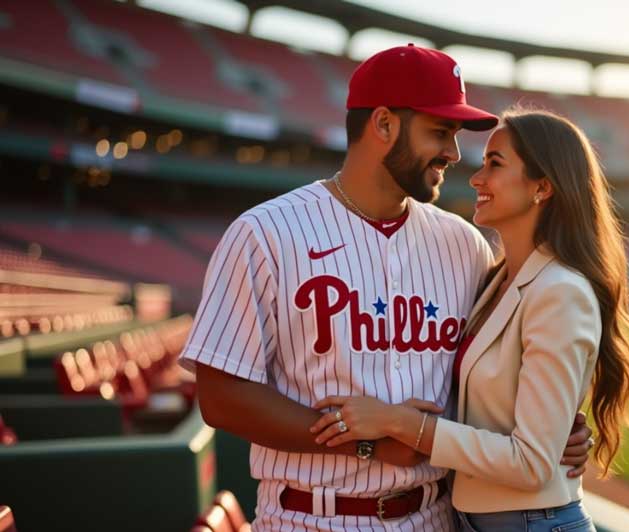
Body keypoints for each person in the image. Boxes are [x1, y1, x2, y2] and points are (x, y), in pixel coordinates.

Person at [179, 45, 593, 532]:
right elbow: (222, 396)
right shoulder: (266, 233)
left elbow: (493, 378)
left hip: (439, 517)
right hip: (312, 516)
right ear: (383, 125)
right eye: (440, 131)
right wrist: (366, 442)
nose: (454, 154)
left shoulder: (465, 245)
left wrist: (553, 428)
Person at [309, 108, 629, 532]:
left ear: (542, 187)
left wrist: (398, 421)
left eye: (495, 164)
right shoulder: (495, 279)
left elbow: (531, 464)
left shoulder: (560, 291)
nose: (476, 178)